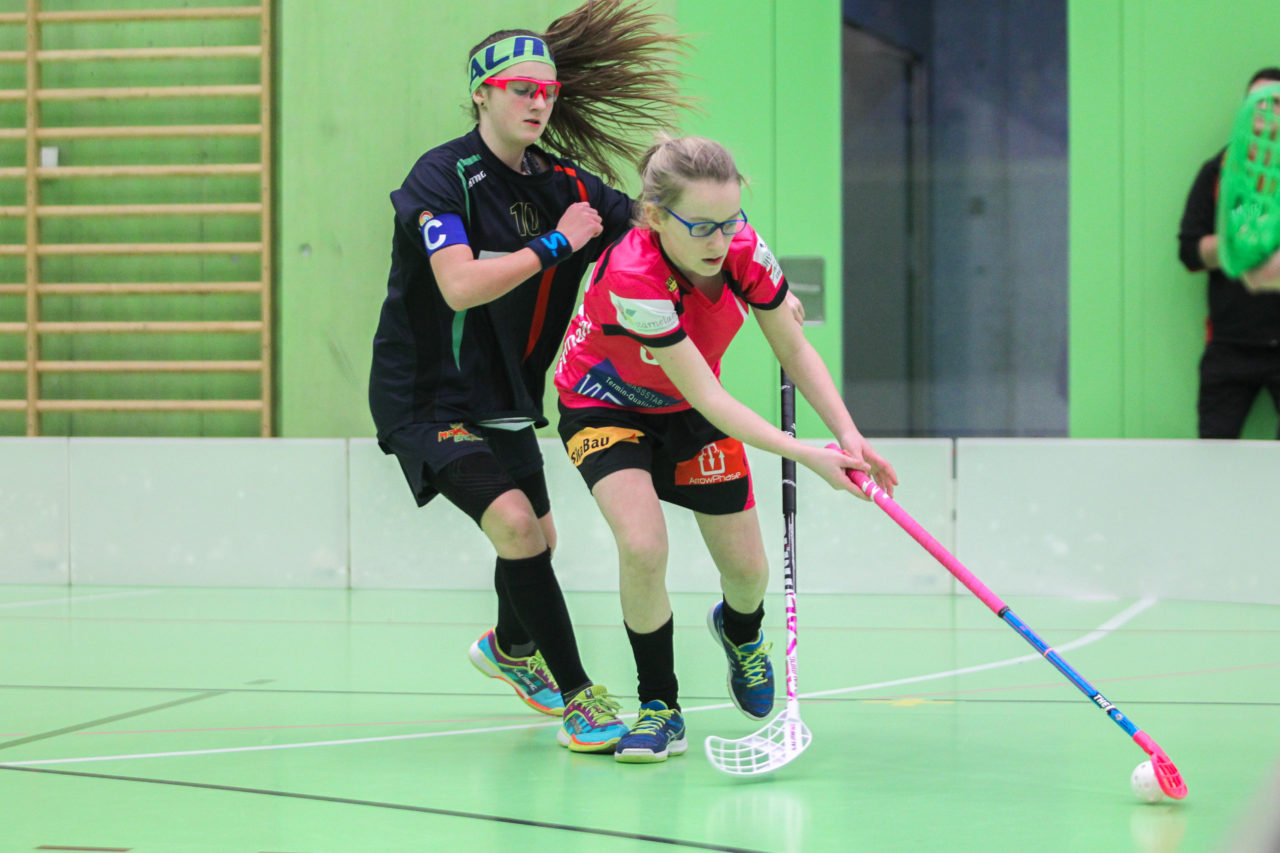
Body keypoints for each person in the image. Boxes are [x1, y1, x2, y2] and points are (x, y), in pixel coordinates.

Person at [368, 1, 689, 754]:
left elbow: (653, 228)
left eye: (546, 90)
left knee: (537, 536)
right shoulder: (441, 177)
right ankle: (580, 697)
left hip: (507, 392)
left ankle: (511, 648)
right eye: (520, 88)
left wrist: (695, 207)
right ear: (482, 94)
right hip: (426, 394)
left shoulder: (566, 183)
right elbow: (458, 284)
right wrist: (555, 243)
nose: (538, 101)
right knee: (516, 524)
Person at [552, 135, 899, 763]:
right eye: (703, 227)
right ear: (655, 217)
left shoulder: (741, 249)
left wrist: (847, 435)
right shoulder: (635, 277)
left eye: (732, 221)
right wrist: (806, 456)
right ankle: (660, 707)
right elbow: (713, 397)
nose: (721, 241)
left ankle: (740, 633)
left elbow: (792, 347)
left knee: (748, 573)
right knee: (643, 546)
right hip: (605, 403)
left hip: (686, 410)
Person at [1177, 67, 1280, 439]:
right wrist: (1237, 246)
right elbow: (1189, 251)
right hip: (1230, 348)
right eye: (1258, 103)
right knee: (1214, 466)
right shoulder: (1218, 173)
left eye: (1277, 103)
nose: (1267, 112)